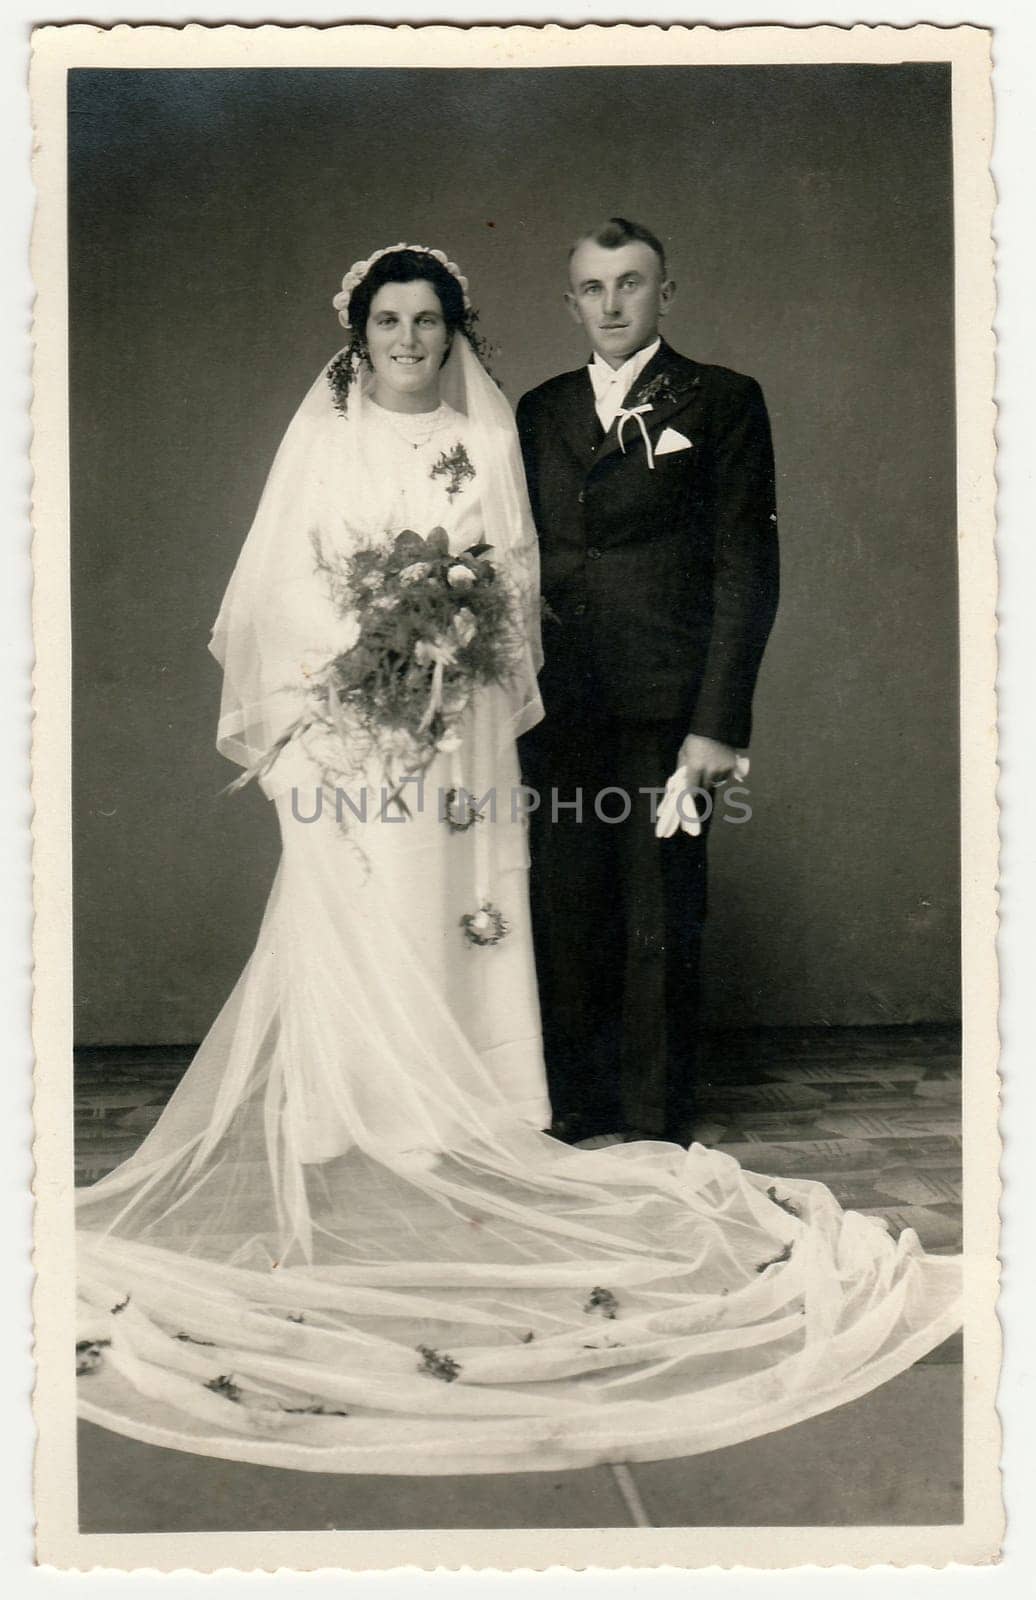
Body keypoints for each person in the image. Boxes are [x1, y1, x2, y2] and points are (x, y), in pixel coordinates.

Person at [75, 245, 959, 1477]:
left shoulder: (494, 437)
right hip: (351, 722)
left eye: (429, 320)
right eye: (389, 320)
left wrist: (454, 645)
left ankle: (477, 1108)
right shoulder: (325, 439)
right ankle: (350, 1110)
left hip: (463, 726)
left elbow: (518, 576)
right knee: (364, 904)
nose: (410, 341)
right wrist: (368, 656)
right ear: (357, 330)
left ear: (457, 329)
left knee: (466, 905)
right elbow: (277, 588)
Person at [517, 217, 780, 1145]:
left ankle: (655, 1116)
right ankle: (574, 1106)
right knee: (565, 904)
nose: (613, 303)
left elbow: (748, 569)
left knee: (662, 908)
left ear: (666, 293)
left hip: (670, 704)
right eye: (594, 287)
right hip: (557, 703)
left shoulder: (720, 401)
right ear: (573, 302)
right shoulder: (539, 409)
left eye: (632, 283)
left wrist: (718, 724)